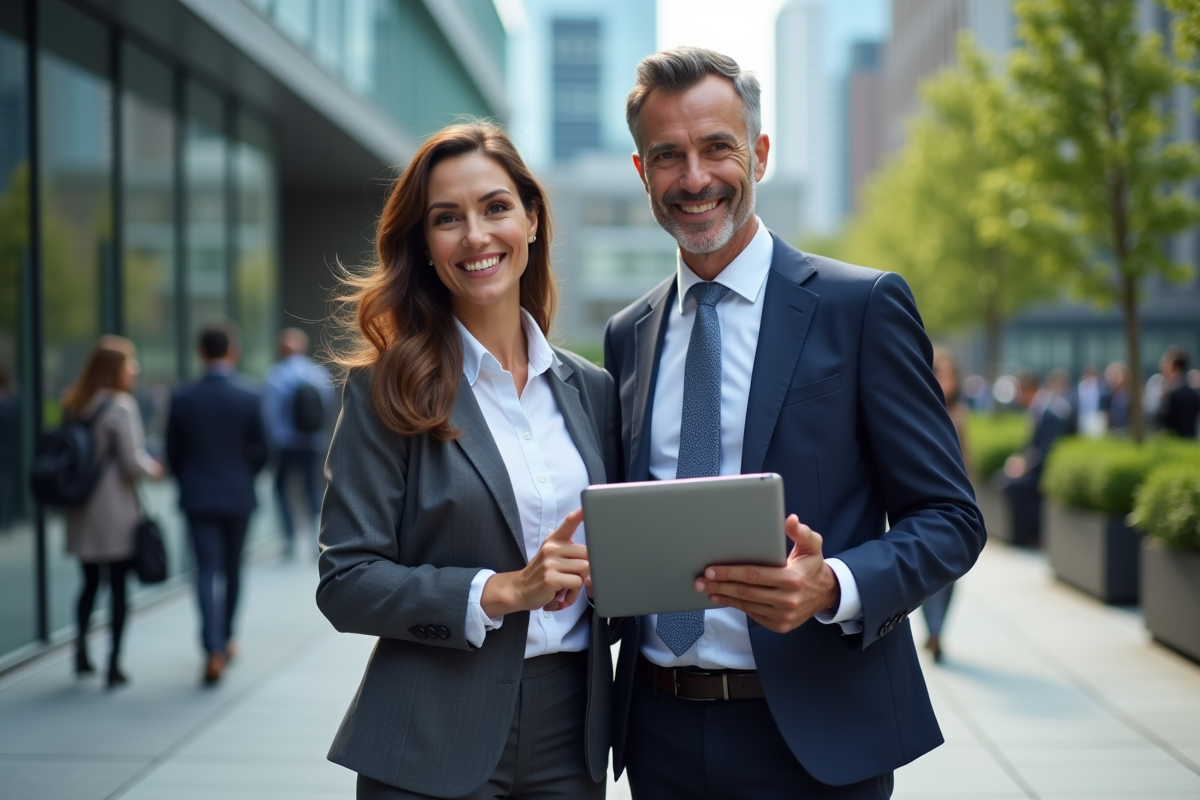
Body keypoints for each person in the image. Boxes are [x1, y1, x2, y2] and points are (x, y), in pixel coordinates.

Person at [603, 48, 984, 799]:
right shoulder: (628, 333)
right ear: (642, 173)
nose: (695, 178)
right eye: (667, 156)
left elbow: (950, 518)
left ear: (762, 154)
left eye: (719, 148)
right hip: (658, 733)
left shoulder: (862, 307)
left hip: (817, 739)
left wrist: (834, 584)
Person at [316, 121, 617, 800]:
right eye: (447, 219)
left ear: (532, 220)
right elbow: (346, 580)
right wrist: (503, 590)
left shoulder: (590, 391)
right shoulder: (385, 389)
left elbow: (611, 562)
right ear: (424, 247)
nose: (476, 236)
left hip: (573, 734)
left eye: (496, 207)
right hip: (430, 734)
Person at [166, 324, 268, 685]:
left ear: (200, 352)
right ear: (232, 352)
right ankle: (224, 640)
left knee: (205, 570)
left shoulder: (182, 397)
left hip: (198, 496)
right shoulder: (250, 394)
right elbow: (263, 450)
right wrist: (243, 475)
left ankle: (211, 647)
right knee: (232, 569)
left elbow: (172, 454)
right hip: (238, 494)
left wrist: (190, 479)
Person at [62, 336, 164, 688]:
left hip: (82, 510)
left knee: (89, 583)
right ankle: (114, 664)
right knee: (118, 586)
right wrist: (156, 470)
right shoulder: (121, 405)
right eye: (129, 362)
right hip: (115, 511)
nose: (134, 369)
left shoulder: (75, 403)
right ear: (114, 368)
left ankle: (80, 652)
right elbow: (131, 463)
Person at [920, 348, 971, 664]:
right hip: (921, 505)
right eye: (939, 372)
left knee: (950, 575)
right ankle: (934, 630)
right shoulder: (918, 410)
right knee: (926, 571)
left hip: (953, 505)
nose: (945, 380)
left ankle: (938, 631)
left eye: (950, 374)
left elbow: (968, 463)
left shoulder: (960, 415)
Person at [263, 327, 334, 555]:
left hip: (285, 443)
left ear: (282, 350)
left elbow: (269, 413)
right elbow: (329, 407)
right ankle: (318, 539)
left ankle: (290, 539)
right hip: (313, 441)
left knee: (281, 488)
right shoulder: (319, 373)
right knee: (312, 488)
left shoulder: (276, 375)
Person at [1001, 370, 1070, 546]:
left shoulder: (1050, 413)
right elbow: (1030, 446)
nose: (1018, 398)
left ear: (1029, 390)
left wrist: (1025, 465)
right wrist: (1019, 460)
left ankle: (1031, 535)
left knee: (1016, 487)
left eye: (1020, 393)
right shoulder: (1038, 410)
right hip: (1036, 468)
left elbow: (1046, 451)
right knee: (1003, 479)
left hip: (1044, 472)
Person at [1155, 345, 1200, 438]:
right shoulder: (1192, 393)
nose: (1162, 366)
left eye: (1165, 362)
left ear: (1175, 366)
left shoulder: (1174, 393)